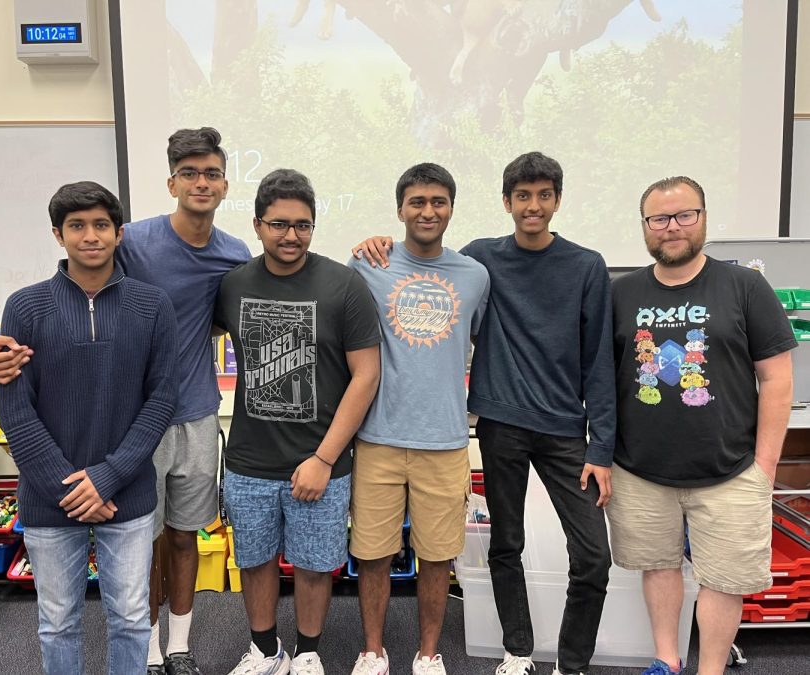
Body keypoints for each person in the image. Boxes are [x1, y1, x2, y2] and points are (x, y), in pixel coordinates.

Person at [0, 127, 252, 675]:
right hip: (132, 422)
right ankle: (147, 648)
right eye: (190, 173)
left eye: (212, 173)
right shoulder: (136, 242)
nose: (201, 182)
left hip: (195, 411)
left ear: (225, 183)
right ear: (172, 181)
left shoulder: (234, 253)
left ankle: (178, 645)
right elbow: (78, 299)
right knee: (140, 544)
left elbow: (224, 321)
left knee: (183, 536)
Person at [354, 151, 616, 675]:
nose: (533, 206)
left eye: (544, 195)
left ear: (558, 201)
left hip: (565, 429)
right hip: (499, 424)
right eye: (523, 196)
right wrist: (370, 240)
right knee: (506, 544)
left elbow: (599, 361)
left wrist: (601, 445)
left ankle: (573, 662)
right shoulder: (481, 260)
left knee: (593, 556)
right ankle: (517, 651)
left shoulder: (582, 266)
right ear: (506, 202)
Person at [606, 176, 796, 675]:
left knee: (725, 580)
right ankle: (666, 661)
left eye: (684, 215)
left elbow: (777, 379)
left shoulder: (745, 286)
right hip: (640, 468)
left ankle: (709, 670)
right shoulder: (620, 293)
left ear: (704, 217)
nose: (672, 228)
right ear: (645, 227)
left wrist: (766, 466)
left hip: (732, 469)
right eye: (659, 219)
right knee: (658, 566)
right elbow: (602, 381)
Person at [0, 181, 178, 674]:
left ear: (119, 234)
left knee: (132, 618)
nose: (90, 236)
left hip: (128, 493)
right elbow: (15, 409)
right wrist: (69, 487)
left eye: (101, 225)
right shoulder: (25, 307)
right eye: (77, 226)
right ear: (58, 235)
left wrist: (107, 476)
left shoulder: (153, 305)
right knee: (57, 621)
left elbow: (162, 399)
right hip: (48, 498)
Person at [214, 168, 381, 675]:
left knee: (313, 564)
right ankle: (265, 650)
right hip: (248, 461)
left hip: (320, 462)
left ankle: (307, 651)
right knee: (255, 561)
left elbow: (366, 375)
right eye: (279, 224)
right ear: (258, 225)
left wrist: (324, 458)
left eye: (302, 225)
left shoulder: (344, 285)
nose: (291, 235)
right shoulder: (233, 284)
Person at [345, 163, 489, 675]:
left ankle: (428, 654)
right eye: (417, 202)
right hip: (378, 438)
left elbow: (483, 345)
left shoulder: (474, 275)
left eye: (438, 202)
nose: (428, 211)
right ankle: (373, 651)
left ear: (451, 207)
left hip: (446, 442)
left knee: (436, 556)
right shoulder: (368, 264)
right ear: (400, 208)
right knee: (373, 553)